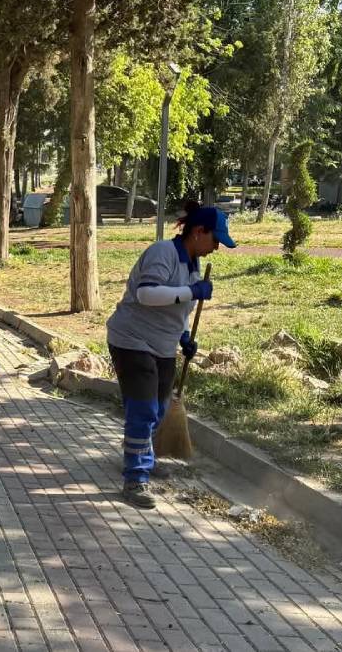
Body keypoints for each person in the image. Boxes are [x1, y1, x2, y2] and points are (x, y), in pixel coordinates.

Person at [105, 202, 236, 509]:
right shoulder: (163, 253)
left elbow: (178, 310)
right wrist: (192, 292)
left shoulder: (191, 264)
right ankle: (135, 479)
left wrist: (184, 336)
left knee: (160, 409)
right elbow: (147, 294)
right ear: (198, 231)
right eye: (215, 239)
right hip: (132, 340)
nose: (217, 247)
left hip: (163, 345)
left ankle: (141, 458)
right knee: (144, 409)